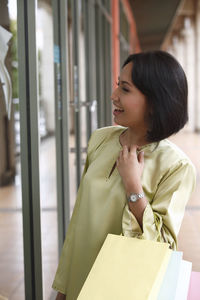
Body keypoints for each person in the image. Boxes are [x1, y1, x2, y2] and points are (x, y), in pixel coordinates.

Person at [53, 51, 196, 300]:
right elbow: (78, 223)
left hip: (124, 288)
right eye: (118, 85)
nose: (113, 96)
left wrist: (133, 186)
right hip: (80, 278)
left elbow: (163, 246)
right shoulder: (100, 140)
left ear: (155, 101)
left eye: (125, 89)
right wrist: (63, 288)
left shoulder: (177, 167)